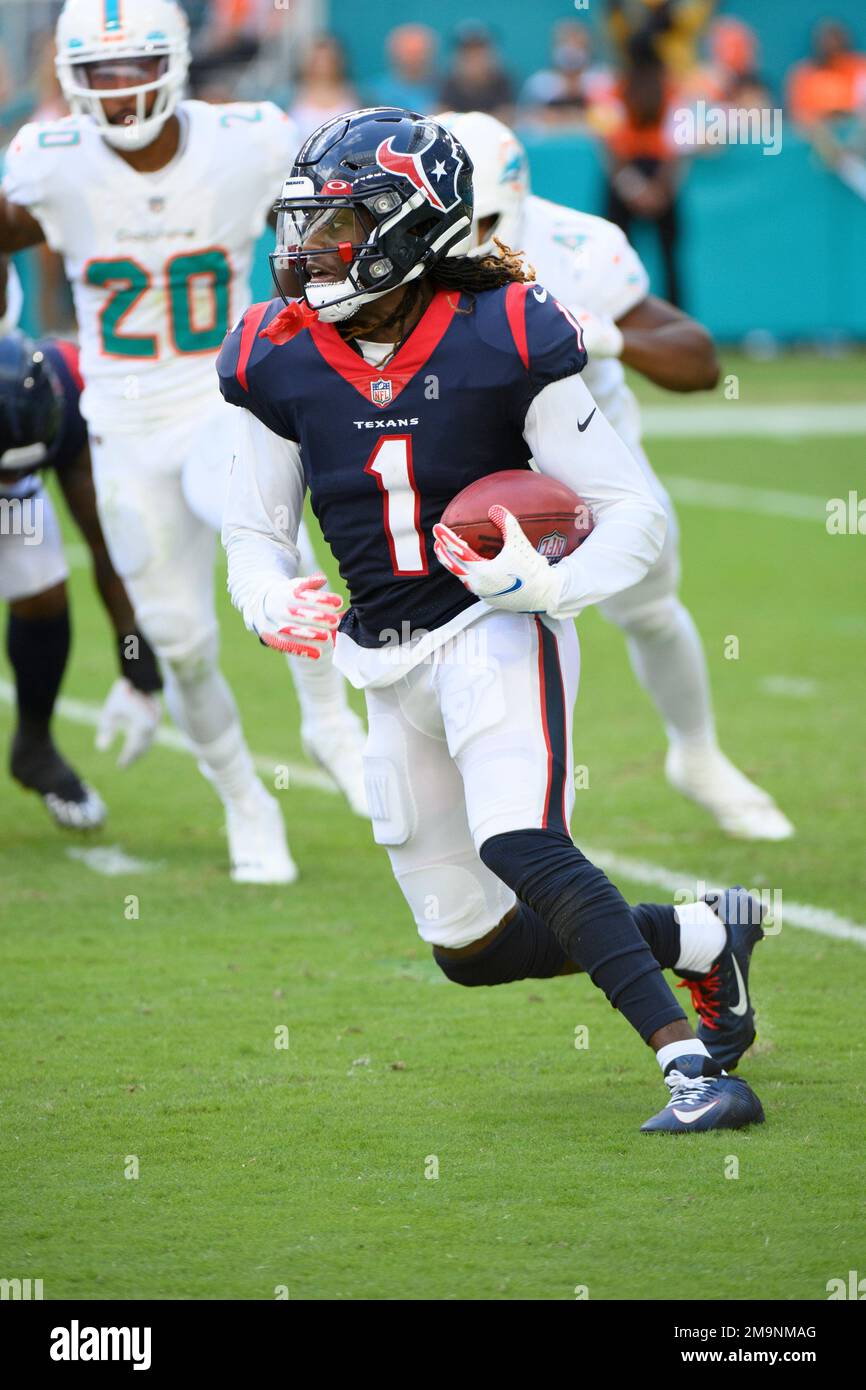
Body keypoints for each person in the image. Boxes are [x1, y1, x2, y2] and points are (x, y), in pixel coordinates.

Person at [217, 106, 765, 1132]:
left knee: (520, 839)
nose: (310, 250)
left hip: (494, 627)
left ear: (410, 226)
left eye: (340, 226)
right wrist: (265, 593)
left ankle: (693, 1071)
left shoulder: (506, 329)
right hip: (382, 655)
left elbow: (632, 510)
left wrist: (548, 590)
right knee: (468, 949)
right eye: (304, 225)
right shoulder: (273, 352)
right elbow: (254, 529)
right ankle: (702, 935)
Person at [0, 0, 366, 883]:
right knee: (179, 640)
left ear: (174, 63)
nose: (120, 93)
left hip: (218, 396)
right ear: (71, 80)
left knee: (269, 536)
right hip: (122, 424)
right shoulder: (47, 161)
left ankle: (328, 723)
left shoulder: (250, 139)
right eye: (98, 75)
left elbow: (344, 220)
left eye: (134, 70)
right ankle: (245, 796)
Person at [438, 111, 793, 843]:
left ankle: (696, 753)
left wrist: (608, 337)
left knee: (653, 611)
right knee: (465, 644)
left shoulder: (577, 246)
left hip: (598, 478)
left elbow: (699, 364)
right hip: (473, 476)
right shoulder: (404, 254)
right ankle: (483, 812)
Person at [0, 327, 162, 827]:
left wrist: (133, 647)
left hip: (25, 482)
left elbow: (101, 534)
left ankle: (34, 746)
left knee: (42, 592)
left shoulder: (66, 392)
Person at [288, 34, 357, 149]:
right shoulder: (287, 97)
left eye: (328, 60)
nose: (323, 66)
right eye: (317, 60)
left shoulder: (358, 96)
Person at [439, 22, 514, 118]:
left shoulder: (502, 81)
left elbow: (507, 117)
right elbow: (441, 114)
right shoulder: (448, 81)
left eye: (479, 50)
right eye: (467, 50)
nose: (473, 56)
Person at [366, 24, 439, 115]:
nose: (415, 59)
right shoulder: (376, 93)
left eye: (419, 52)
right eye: (409, 53)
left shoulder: (445, 90)